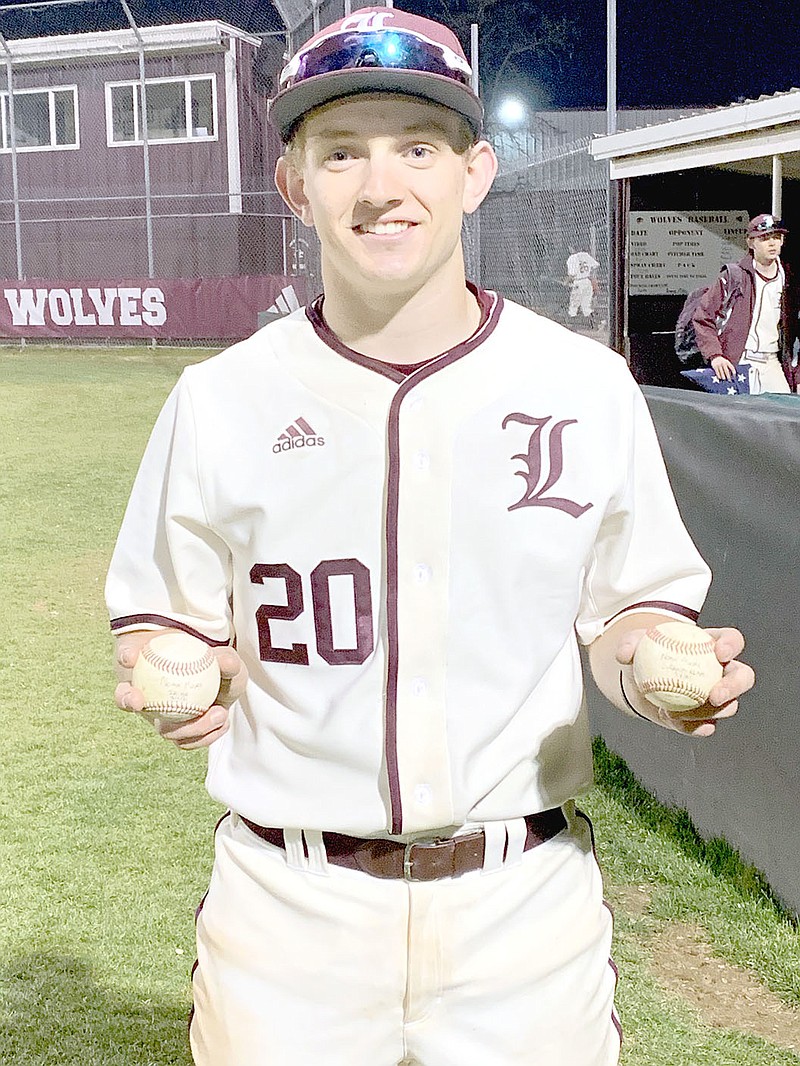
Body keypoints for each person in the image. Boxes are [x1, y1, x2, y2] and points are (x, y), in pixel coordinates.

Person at [106, 7, 755, 1065]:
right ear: (295, 185)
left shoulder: (579, 385)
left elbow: (630, 604)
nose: (378, 185)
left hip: (520, 911)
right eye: (339, 152)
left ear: (475, 170)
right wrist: (181, 671)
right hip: (288, 910)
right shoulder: (218, 400)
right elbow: (162, 620)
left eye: (416, 146)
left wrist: (652, 668)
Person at [692, 212, 798, 393]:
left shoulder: (788, 278)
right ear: (750, 242)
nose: (772, 243)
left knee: (782, 413)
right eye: (764, 238)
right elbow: (703, 317)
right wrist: (715, 355)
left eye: (777, 237)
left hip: (771, 360)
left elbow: (795, 332)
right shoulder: (734, 276)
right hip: (737, 361)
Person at [565, 246, 600, 328]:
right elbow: (596, 265)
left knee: (573, 306)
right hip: (587, 282)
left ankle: (572, 327)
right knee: (586, 307)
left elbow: (572, 274)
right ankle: (597, 323)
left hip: (578, 282)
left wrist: (566, 282)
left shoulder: (572, 258)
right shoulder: (585, 255)